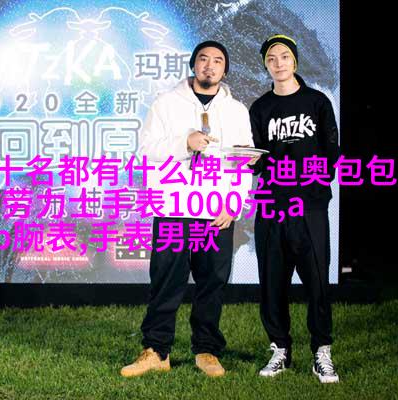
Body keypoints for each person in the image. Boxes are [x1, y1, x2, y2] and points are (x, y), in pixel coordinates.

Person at [120, 40, 255, 378]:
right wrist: (184, 142)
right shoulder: (166, 103)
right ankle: (156, 350)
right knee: (166, 280)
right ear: (194, 64)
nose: (210, 65)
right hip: (173, 207)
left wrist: (234, 203)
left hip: (216, 210)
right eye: (204, 59)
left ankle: (206, 351)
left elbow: (243, 160)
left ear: (225, 69)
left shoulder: (236, 110)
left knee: (212, 281)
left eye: (218, 61)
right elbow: (145, 150)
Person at [249, 34, 340, 383]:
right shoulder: (260, 108)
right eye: (271, 58)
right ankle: (280, 349)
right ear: (266, 65)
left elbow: (331, 150)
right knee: (272, 281)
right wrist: (249, 161)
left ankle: (322, 351)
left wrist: (310, 185)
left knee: (317, 280)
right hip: (272, 206)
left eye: (284, 56)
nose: (278, 63)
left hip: (309, 207)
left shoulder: (317, 101)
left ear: (295, 61)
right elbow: (257, 157)